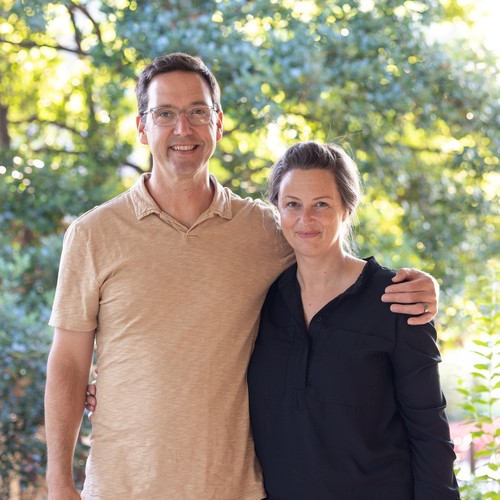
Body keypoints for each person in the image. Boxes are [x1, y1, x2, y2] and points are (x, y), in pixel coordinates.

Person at [45, 52, 440, 500]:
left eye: (198, 112)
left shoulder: (263, 229)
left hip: (235, 488)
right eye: (165, 114)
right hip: (123, 487)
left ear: (218, 123)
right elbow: (68, 362)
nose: (183, 129)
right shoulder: (93, 235)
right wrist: (59, 482)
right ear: (141, 127)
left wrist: (421, 286)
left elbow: (330, 259)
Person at [247, 141, 460, 499]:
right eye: (293, 204)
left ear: (347, 208)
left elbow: (430, 435)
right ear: (277, 209)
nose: (305, 219)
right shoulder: (262, 301)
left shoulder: (396, 300)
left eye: (321, 204)